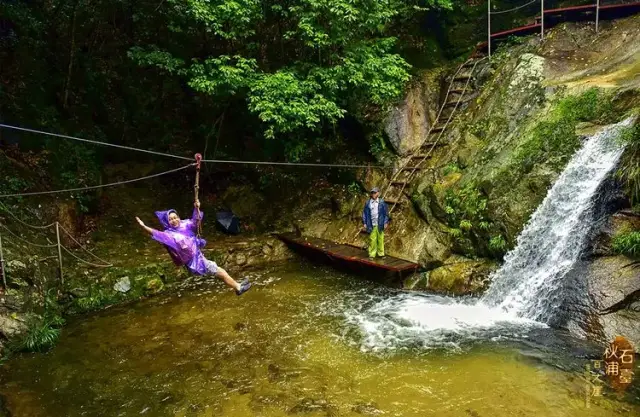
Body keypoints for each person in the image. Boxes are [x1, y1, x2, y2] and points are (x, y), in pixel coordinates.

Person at [135, 200, 251, 295]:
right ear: (167, 222)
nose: (174, 220)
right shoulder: (169, 235)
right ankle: (238, 287)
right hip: (195, 263)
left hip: (199, 257)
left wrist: (196, 208)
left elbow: (195, 221)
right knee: (220, 271)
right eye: (171, 219)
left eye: (175, 217)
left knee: (220, 271)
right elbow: (156, 233)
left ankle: (237, 286)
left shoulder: (185, 224)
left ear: (178, 217)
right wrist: (144, 226)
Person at [362, 187, 389, 259]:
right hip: (371, 224)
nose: (373, 194)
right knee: (372, 240)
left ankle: (381, 254)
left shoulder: (382, 202)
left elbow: (386, 213)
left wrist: (385, 222)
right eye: (372, 193)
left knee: (380, 239)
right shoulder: (368, 203)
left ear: (378, 193)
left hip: (380, 223)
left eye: (375, 192)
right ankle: (372, 254)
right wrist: (364, 222)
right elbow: (364, 213)